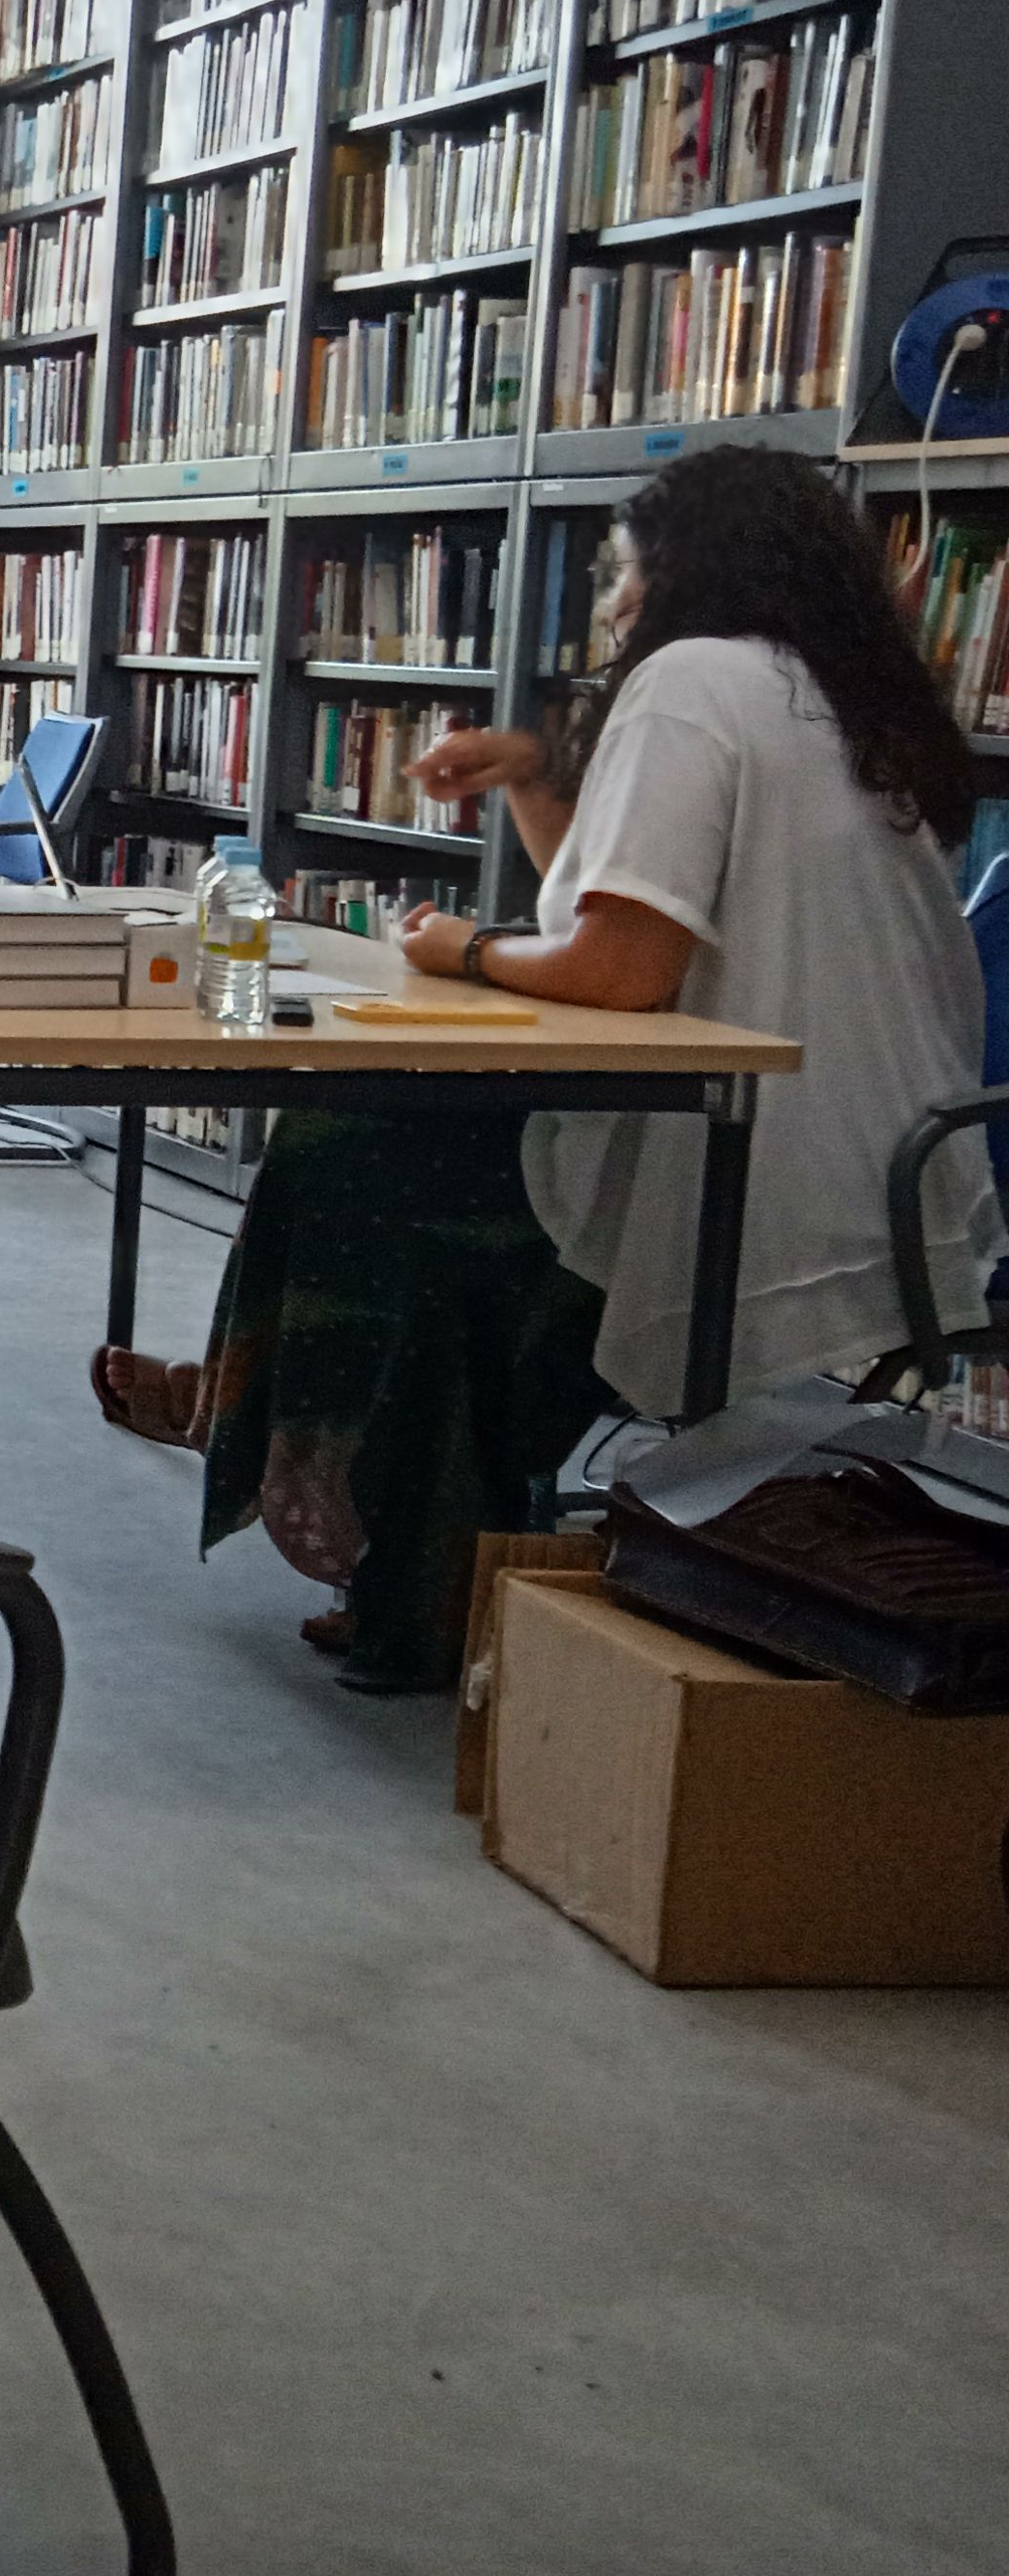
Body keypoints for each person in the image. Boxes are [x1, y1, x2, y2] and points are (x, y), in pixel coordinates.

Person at [95, 447, 1007, 1692]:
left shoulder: (687, 681)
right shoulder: (827, 691)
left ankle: (340, 1500)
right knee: (382, 1157)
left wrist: (459, 946)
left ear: (690, 576)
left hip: (750, 1160)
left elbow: (621, 965)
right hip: (879, 1161)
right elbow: (626, 903)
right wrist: (530, 780)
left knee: (364, 1170)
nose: (614, 611)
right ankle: (337, 1481)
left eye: (625, 580)